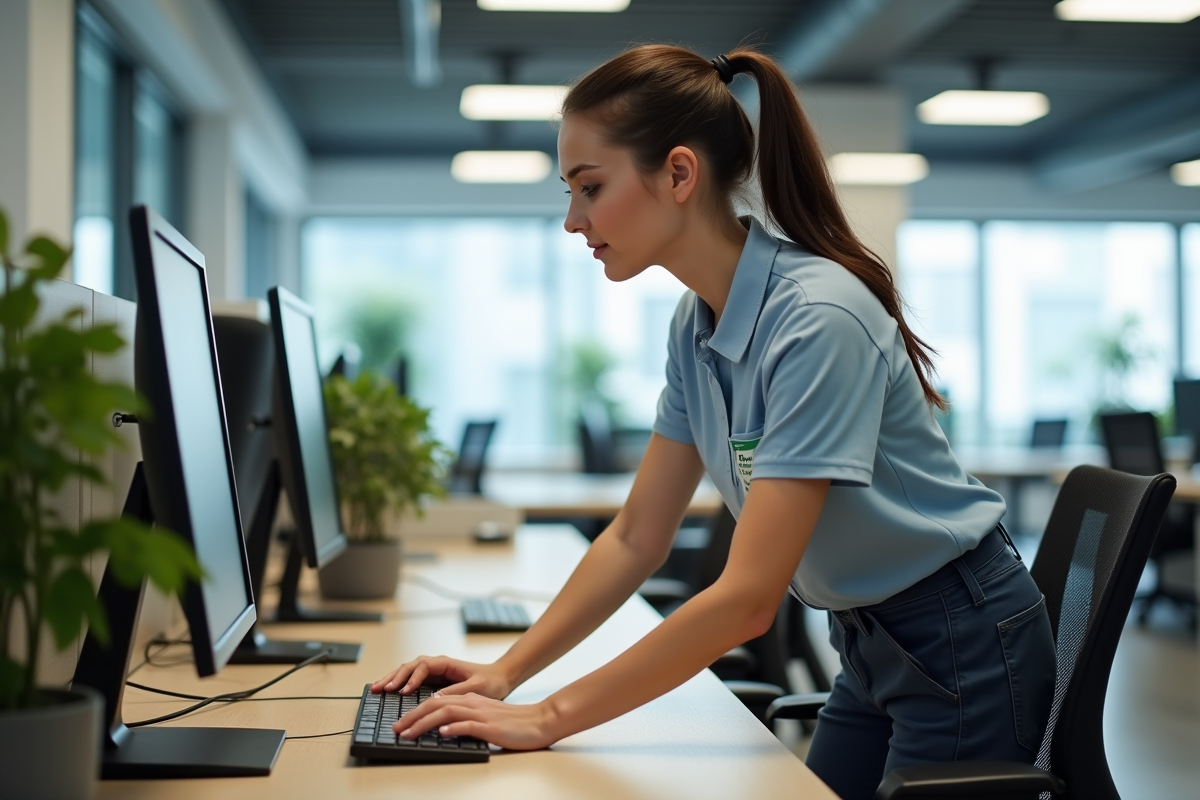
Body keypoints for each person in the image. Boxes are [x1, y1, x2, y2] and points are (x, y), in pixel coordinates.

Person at [372, 44, 1056, 800]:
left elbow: (748, 599)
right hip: (869, 640)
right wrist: (505, 674)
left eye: (589, 188)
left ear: (677, 174)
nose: (573, 221)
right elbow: (636, 536)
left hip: (961, 640)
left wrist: (549, 717)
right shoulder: (694, 324)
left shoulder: (815, 320)